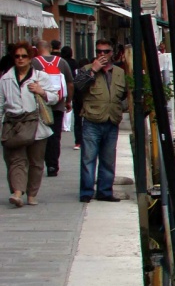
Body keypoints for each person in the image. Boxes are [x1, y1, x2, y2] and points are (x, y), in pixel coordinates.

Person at [0, 40, 58, 207]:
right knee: (16, 160)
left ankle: (32, 194)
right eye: (17, 56)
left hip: (36, 124)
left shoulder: (41, 77)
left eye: (24, 56)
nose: (20, 59)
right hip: (13, 125)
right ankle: (17, 192)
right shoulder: (5, 78)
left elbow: (54, 97)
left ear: (30, 58)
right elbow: (1, 104)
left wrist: (41, 92)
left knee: (36, 162)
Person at [74, 38, 127, 202]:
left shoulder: (119, 72)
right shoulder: (86, 69)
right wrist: (94, 71)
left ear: (112, 53)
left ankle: (105, 191)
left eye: (106, 51)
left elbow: (123, 94)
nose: (102, 54)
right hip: (92, 120)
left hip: (111, 120)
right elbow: (78, 87)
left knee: (108, 160)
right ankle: (86, 192)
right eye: (99, 52)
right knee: (88, 159)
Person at [32, 38, 74, 176]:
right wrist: (68, 101)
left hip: (40, 106)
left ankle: (39, 163)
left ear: (37, 49)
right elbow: (70, 83)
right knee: (55, 136)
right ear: (49, 48)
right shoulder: (61, 62)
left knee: (39, 135)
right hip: (58, 105)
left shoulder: (34, 62)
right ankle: (53, 165)